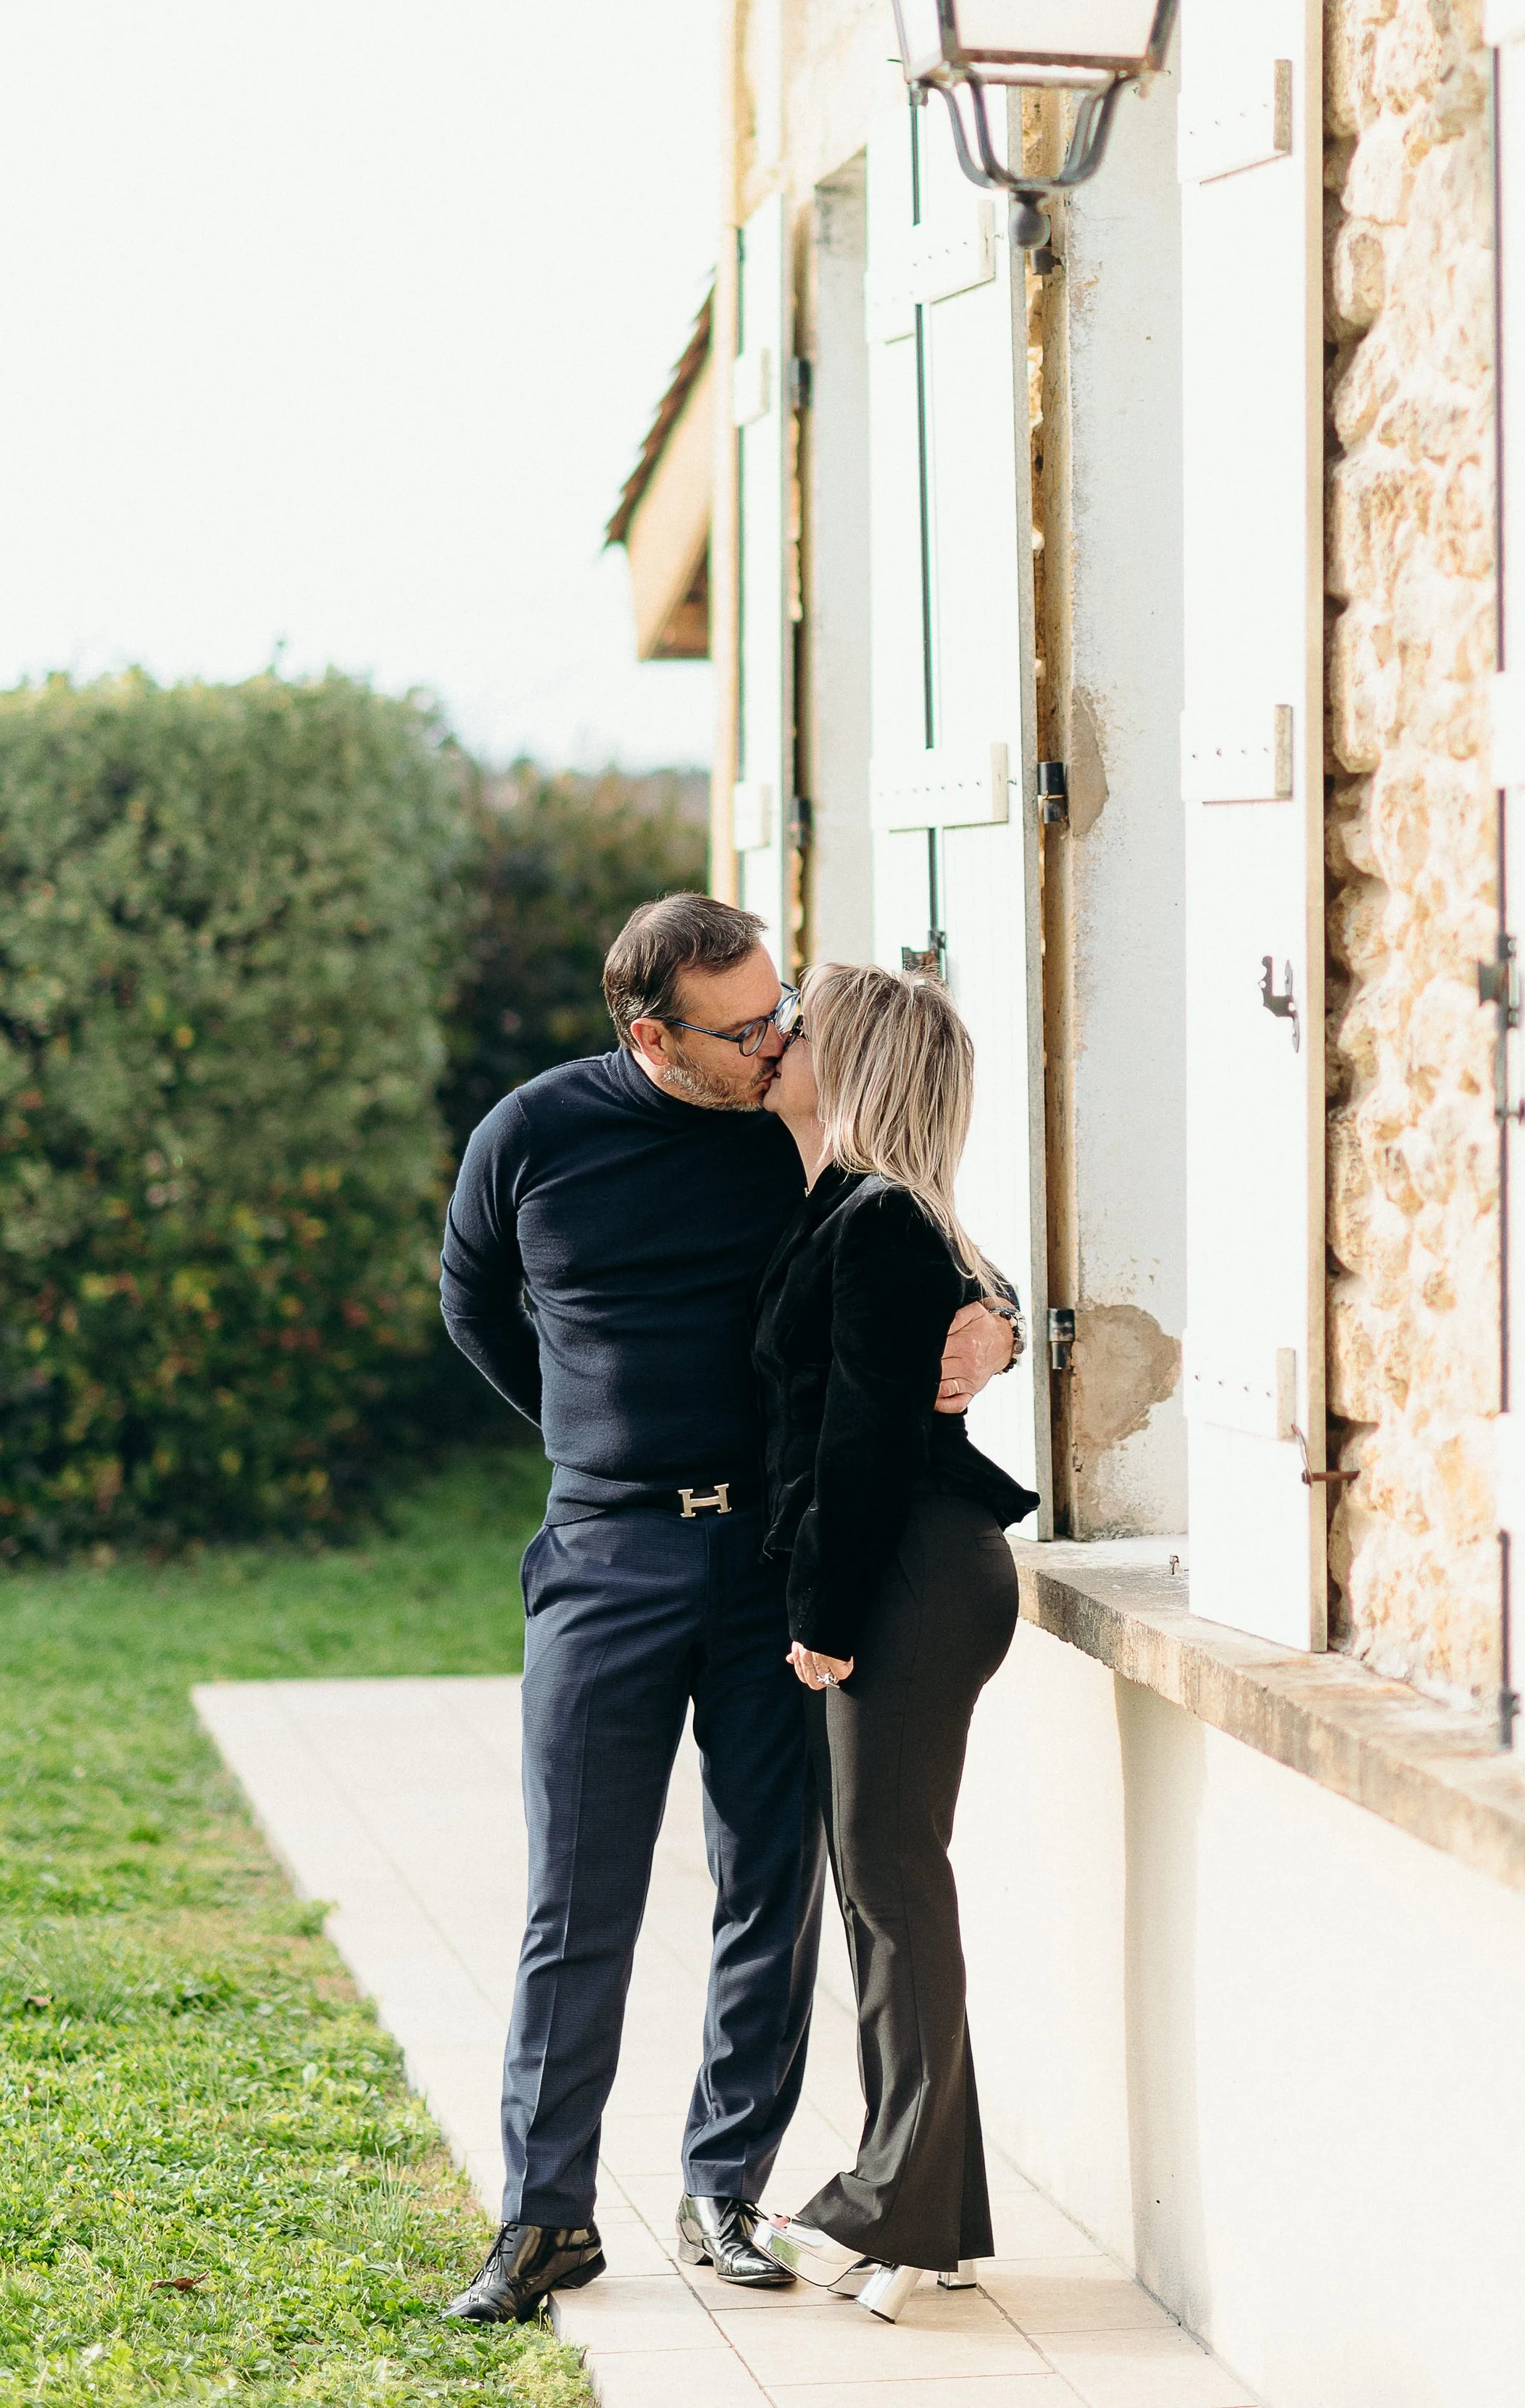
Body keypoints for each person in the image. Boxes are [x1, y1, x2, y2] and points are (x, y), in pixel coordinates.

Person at [435, 895, 1019, 2325]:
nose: (777, 1040)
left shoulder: (792, 1124)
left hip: (767, 1556)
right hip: (604, 1559)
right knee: (578, 1896)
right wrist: (590, 1438)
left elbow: (919, 1233)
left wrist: (995, 1318)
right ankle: (544, 2215)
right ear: (652, 1033)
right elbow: (474, 1304)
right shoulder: (530, 1134)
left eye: (780, 1013)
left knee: (772, 1875)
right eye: (747, 1025)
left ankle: (723, 2184)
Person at [749, 961, 1034, 2325]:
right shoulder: (878, 1214)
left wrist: (823, 1614)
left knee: (888, 1881)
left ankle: (888, 2206)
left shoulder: (879, 1222)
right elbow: (971, 1309)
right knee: (888, 1884)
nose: (775, 1040)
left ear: (849, 1057)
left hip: (904, 1572)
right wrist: (1010, 1323)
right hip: (918, 1566)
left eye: (796, 1028)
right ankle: (943, 2209)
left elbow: (859, 1442)